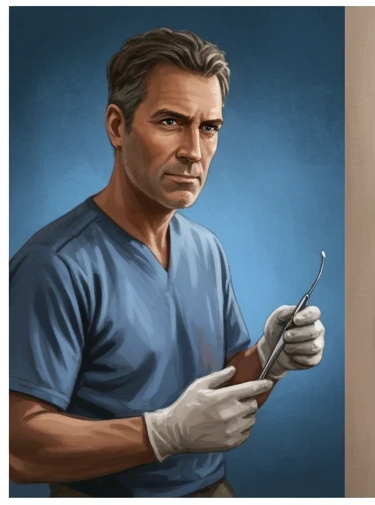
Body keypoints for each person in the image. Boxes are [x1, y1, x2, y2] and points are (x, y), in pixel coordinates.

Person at [9, 29, 326, 496]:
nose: (194, 152)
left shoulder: (206, 249)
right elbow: (17, 445)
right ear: (117, 126)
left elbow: (218, 393)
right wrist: (161, 434)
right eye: (171, 122)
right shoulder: (56, 264)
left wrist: (269, 357)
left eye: (209, 128)